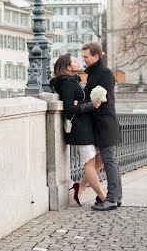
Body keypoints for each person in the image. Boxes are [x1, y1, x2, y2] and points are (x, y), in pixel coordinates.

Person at [50, 53, 106, 206]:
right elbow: (69, 108)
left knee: (100, 159)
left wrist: (88, 102)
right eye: (74, 61)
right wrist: (90, 105)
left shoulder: (72, 80)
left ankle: (79, 188)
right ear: (68, 67)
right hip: (80, 129)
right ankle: (103, 197)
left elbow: (77, 102)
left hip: (86, 126)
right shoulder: (67, 82)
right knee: (89, 162)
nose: (78, 62)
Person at [82, 41, 122, 211]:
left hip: (105, 123)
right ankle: (116, 198)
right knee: (110, 161)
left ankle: (112, 198)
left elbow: (102, 100)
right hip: (103, 123)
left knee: (109, 161)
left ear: (96, 56)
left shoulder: (104, 73)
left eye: (86, 56)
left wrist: (85, 104)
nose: (84, 60)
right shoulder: (95, 73)